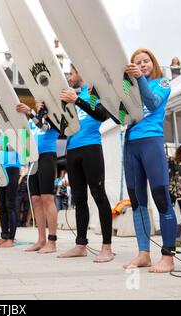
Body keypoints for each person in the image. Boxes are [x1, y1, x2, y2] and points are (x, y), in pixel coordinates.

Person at [123, 48, 177, 273]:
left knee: (161, 198)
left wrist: (139, 79)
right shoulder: (130, 88)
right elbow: (118, 115)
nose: (143, 64)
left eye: (145, 61)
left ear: (152, 63)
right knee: (137, 201)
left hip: (151, 142)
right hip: (130, 145)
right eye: (138, 62)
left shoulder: (162, 83)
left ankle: (168, 257)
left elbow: (154, 103)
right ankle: (143, 253)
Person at [58, 64, 115, 263]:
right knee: (79, 199)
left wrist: (78, 99)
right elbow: (61, 129)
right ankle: (80, 245)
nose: (69, 76)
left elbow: (102, 115)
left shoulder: (92, 92)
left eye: (72, 72)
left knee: (99, 195)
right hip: (72, 152)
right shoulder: (69, 96)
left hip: (91, 148)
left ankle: (107, 247)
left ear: (81, 71)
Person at [16, 101, 60, 254]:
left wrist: (30, 111)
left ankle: (52, 241)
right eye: (36, 101)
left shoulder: (54, 116)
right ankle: (41, 240)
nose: (37, 103)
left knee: (47, 198)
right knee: (35, 199)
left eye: (40, 101)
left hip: (47, 156)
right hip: (33, 160)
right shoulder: (30, 121)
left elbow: (44, 127)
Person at [0, 120, 22, 248]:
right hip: (0, 168)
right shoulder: (0, 134)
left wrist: (0, 147)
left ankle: (11, 238)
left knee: (10, 204)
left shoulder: (17, 130)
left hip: (12, 168)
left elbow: (20, 146)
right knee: (2, 204)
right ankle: (4, 235)